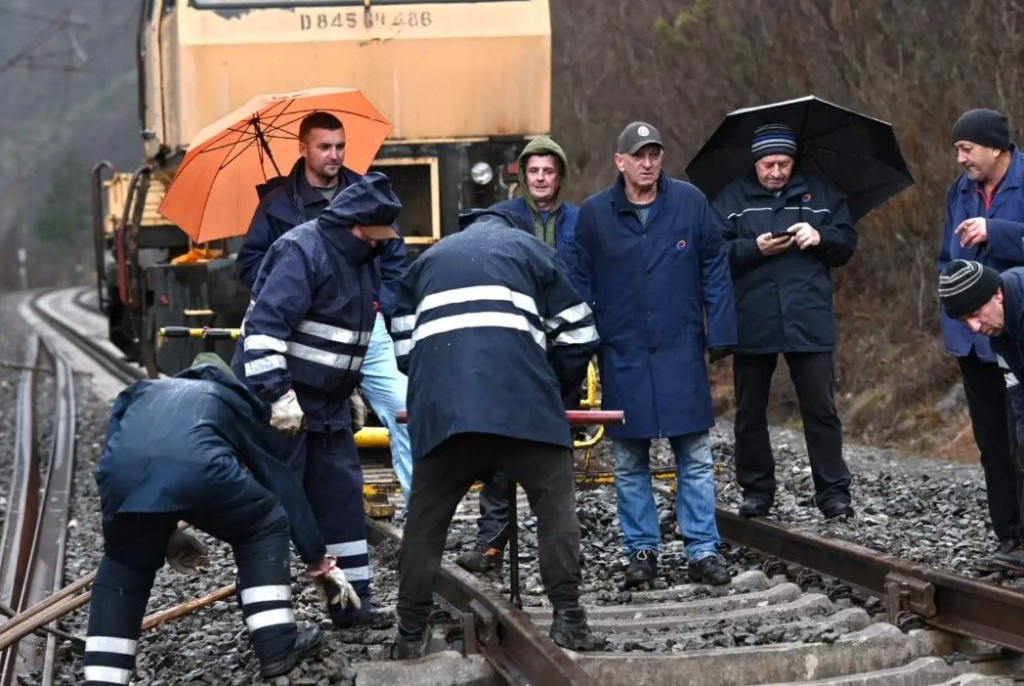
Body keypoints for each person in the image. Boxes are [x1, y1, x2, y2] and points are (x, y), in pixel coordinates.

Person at [389, 209, 604, 658]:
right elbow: (581, 334)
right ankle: (568, 618)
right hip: (524, 409)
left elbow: (404, 350)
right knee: (555, 506)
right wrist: (554, 389)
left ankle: (410, 635)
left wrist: (445, 387)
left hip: (445, 418)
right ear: (513, 228)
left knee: (425, 523)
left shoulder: (426, 261)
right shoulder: (534, 251)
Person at [83, 354, 360, 684]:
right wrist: (318, 561)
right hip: (201, 470)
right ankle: (277, 645)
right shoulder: (226, 398)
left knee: (124, 565)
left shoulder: (141, 391)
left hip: (122, 483)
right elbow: (277, 478)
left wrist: (161, 530)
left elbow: (121, 459)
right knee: (264, 523)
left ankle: (103, 678)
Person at [571, 121, 736, 589]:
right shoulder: (595, 215)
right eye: (638, 155)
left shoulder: (689, 202)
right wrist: (581, 343)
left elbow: (714, 267)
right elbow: (579, 282)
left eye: (654, 154)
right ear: (619, 161)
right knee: (628, 459)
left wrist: (721, 331)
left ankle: (703, 549)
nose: (647, 163)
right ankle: (641, 550)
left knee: (696, 454)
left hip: (680, 347)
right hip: (623, 350)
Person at [231, 173, 399, 629]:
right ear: (353, 226)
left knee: (342, 499)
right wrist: (279, 397)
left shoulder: (366, 258)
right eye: (375, 235)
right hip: (281, 403)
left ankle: (351, 605)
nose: (383, 244)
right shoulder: (301, 251)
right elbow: (264, 331)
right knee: (275, 510)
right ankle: (269, 622)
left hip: (328, 405)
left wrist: (351, 389)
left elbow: (349, 334)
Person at [236, 111, 415, 502]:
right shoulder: (276, 204)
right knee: (297, 430)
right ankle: (300, 520)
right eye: (324, 147)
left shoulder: (368, 196)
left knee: (404, 407)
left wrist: (378, 306)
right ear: (303, 149)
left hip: (368, 330)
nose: (334, 155)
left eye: (340, 147)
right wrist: (288, 283)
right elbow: (248, 263)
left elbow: (396, 259)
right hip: (306, 338)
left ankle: (419, 511)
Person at [710, 123, 857, 520]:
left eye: (784, 164)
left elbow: (846, 243)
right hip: (752, 318)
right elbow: (712, 253)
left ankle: (833, 493)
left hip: (808, 318)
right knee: (750, 411)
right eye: (768, 164)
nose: (776, 172)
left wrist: (820, 237)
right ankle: (757, 490)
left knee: (821, 408)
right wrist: (752, 248)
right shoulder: (732, 198)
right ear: (755, 163)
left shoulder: (821, 194)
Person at [456, 135, 580, 575]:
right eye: (534, 171)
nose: (541, 179)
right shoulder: (503, 219)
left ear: (559, 176)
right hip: (512, 349)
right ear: (523, 176)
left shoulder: (580, 223)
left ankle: (564, 552)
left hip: (560, 349)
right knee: (499, 448)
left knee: (555, 455)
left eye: (549, 171)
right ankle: (491, 543)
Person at [937, 109, 1024, 568]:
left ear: (996, 147)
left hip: (1016, 330)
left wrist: (999, 232)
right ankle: (1008, 539)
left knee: (1021, 438)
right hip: (973, 340)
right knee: (992, 443)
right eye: (957, 149)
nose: (960, 158)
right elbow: (944, 257)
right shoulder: (961, 191)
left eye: (966, 148)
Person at [938, 260, 1024, 572]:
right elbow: (1017, 390)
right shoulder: (999, 328)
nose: (975, 328)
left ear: (997, 295)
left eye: (975, 315)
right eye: (965, 321)